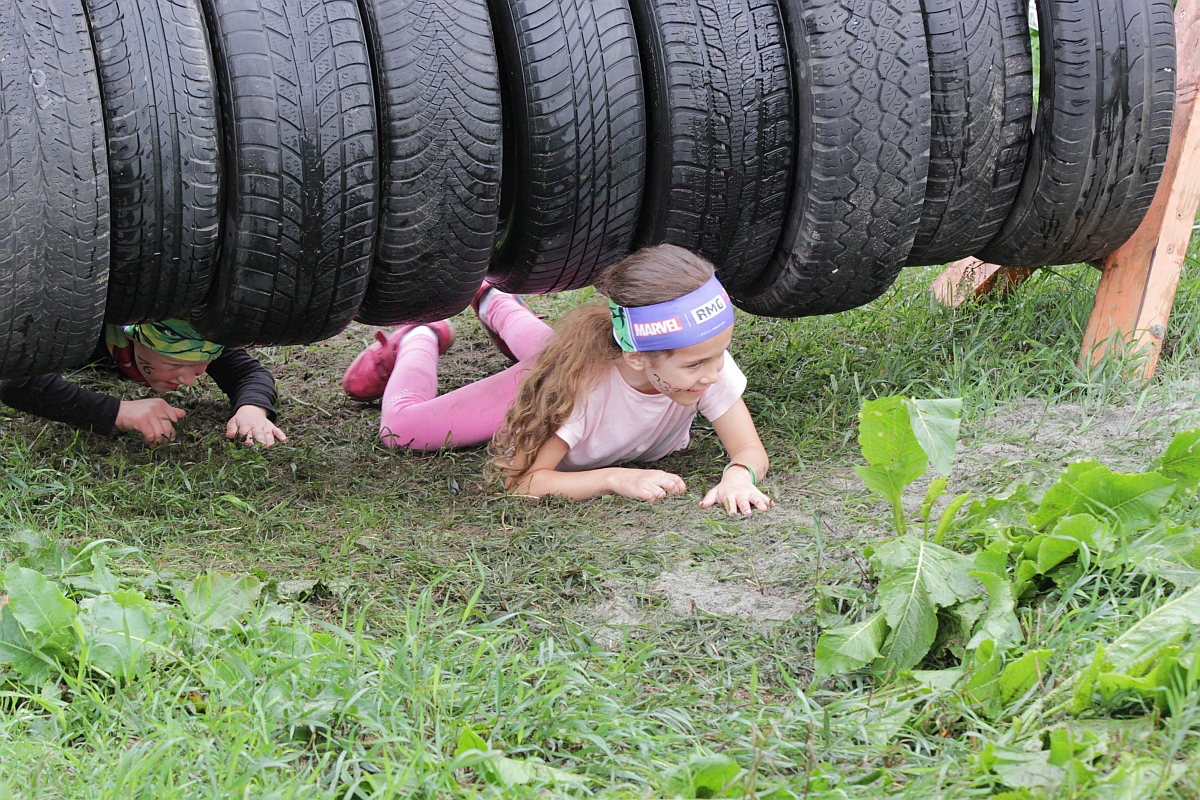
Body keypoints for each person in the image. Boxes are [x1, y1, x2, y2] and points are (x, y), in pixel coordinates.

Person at [342, 244, 773, 514]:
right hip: (560, 376)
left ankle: (489, 295)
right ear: (639, 357)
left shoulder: (703, 361)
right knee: (402, 431)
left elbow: (748, 449)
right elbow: (522, 480)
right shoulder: (575, 395)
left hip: (584, 356)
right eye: (696, 365)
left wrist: (740, 474)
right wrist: (614, 478)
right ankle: (420, 335)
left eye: (718, 356)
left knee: (551, 345)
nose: (714, 373)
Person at [0, 319, 285, 448]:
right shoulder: (83, 322)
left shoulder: (195, 335)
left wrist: (252, 409)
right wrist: (119, 412)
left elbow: (249, 373)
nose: (187, 380)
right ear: (135, 335)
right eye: (175, 365)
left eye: (201, 370)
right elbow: (14, 378)